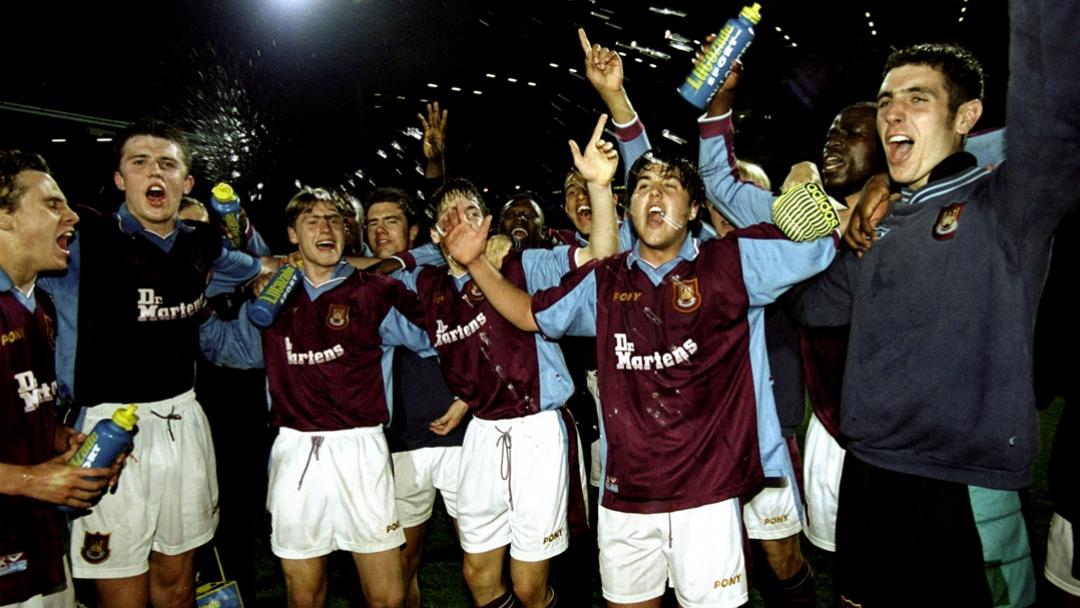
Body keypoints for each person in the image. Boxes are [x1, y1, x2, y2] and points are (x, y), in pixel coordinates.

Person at [441, 138, 837, 608]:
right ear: (629, 209)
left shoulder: (729, 263)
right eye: (644, 186)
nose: (654, 195)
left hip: (706, 499)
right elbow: (529, 314)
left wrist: (803, 178)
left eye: (670, 186)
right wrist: (475, 263)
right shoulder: (604, 280)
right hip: (626, 500)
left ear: (692, 210)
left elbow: (822, 239)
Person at [797, 3, 1080, 603]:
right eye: (885, 100)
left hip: (962, 484)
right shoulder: (878, 222)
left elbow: (1053, 115)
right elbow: (815, 310)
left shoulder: (1008, 204)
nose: (893, 110)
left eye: (917, 98)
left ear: (967, 116)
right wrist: (828, 233)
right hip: (868, 471)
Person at [37, 119, 272, 608]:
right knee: (122, 588)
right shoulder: (86, 239)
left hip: (184, 419)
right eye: (139, 163)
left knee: (179, 584)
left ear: (187, 183)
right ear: (121, 179)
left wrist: (241, 230)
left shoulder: (200, 244)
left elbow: (258, 266)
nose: (154, 172)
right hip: (107, 429)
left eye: (167, 163)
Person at [391, 114, 618, 608]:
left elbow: (603, 257)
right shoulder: (427, 291)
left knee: (531, 585)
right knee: (477, 576)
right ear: (434, 234)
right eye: (447, 218)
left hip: (537, 430)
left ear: (487, 221)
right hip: (482, 435)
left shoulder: (522, 263)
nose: (460, 223)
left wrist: (600, 190)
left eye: (470, 211)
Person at [0, 150, 118, 608]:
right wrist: (29, 479)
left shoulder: (39, 306)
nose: (71, 216)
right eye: (52, 205)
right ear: (5, 216)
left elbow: (20, 408)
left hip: (38, 544)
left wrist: (60, 439)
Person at [364, 186, 469, 608]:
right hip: (404, 442)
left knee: (479, 556)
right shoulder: (367, 284)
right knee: (402, 560)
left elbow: (433, 335)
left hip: (463, 439)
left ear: (413, 231)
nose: (379, 230)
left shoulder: (440, 271)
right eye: (371, 223)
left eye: (390, 221)